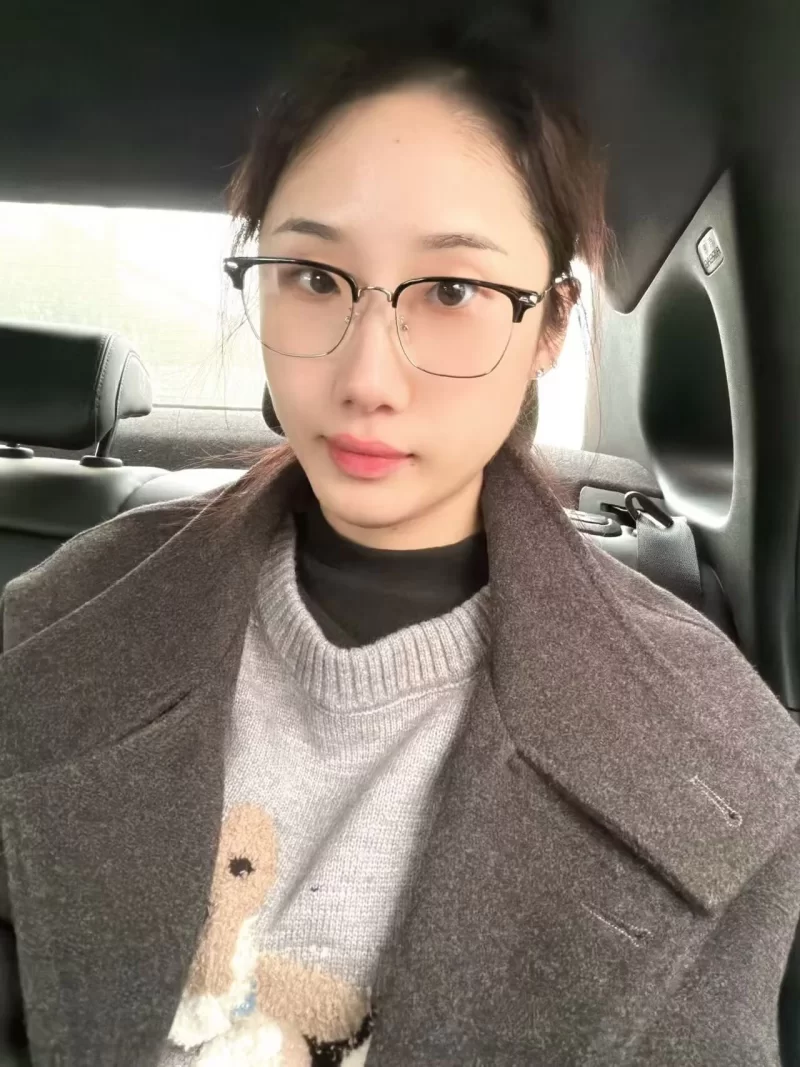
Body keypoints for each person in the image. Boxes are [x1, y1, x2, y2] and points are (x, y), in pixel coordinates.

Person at [2, 8, 800, 1067]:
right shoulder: (45, 631)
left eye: (453, 290)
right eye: (313, 276)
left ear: (551, 324)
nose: (367, 377)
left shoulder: (719, 761)